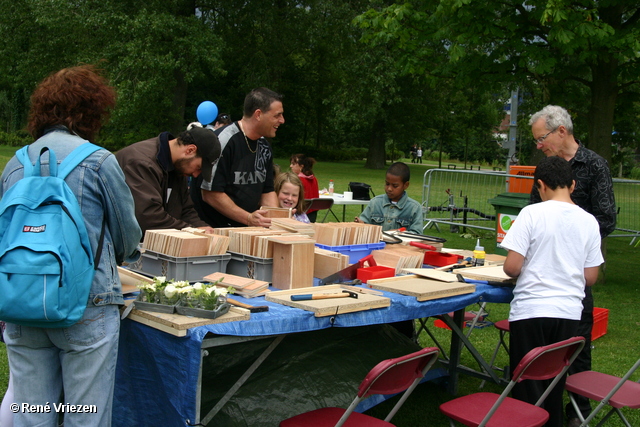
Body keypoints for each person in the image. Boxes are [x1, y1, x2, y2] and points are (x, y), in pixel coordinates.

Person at [0, 65, 141, 426]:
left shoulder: (14, 166)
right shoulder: (98, 161)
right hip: (87, 306)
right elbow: (128, 236)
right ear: (91, 112)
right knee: (85, 417)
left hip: (22, 302)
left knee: (32, 415)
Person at [528, 105, 616, 427]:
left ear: (561, 131)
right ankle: (535, 405)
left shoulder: (595, 165)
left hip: (578, 271)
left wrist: (570, 232)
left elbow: (606, 217)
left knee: (578, 343)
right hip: (539, 272)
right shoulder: (544, 168)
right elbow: (531, 211)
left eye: (541, 139)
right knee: (538, 340)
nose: (539, 146)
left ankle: (576, 412)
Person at [502, 156, 603, 427]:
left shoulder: (532, 213)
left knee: (527, 384)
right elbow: (590, 277)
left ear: (540, 186)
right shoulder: (589, 221)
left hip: (532, 311)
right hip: (569, 313)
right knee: (554, 382)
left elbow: (512, 267)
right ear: (572, 184)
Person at [192, 87, 283, 228]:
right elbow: (210, 193)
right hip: (213, 231)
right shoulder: (223, 141)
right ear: (258, 114)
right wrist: (248, 218)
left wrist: (277, 218)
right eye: (277, 115)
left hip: (245, 231)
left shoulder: (264, 146)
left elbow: (267, 190)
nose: (282, 120)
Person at [115, 127, 221, 236]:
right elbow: (148, 218)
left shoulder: (179, 166)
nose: (195, 174)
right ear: (190, 150)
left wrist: (201, 227)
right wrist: (191, 230)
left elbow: (186, 210)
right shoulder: (140, 163)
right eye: (198, 167)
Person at [355, 162, 423, 234]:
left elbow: (417, 234)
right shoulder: (375, 203)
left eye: (395, 186)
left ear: (406, 185)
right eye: (387, 184)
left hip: (400, 245)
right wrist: (361, 224)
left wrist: (396, 233)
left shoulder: (414, 208)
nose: (389, 189)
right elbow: (364, 223)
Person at [290, 153, 320, 222]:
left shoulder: (298, 180)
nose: (291, 166)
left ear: (301, 166)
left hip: (300, 213)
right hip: (313, 213)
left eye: (293, 164)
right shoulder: (314, 179)